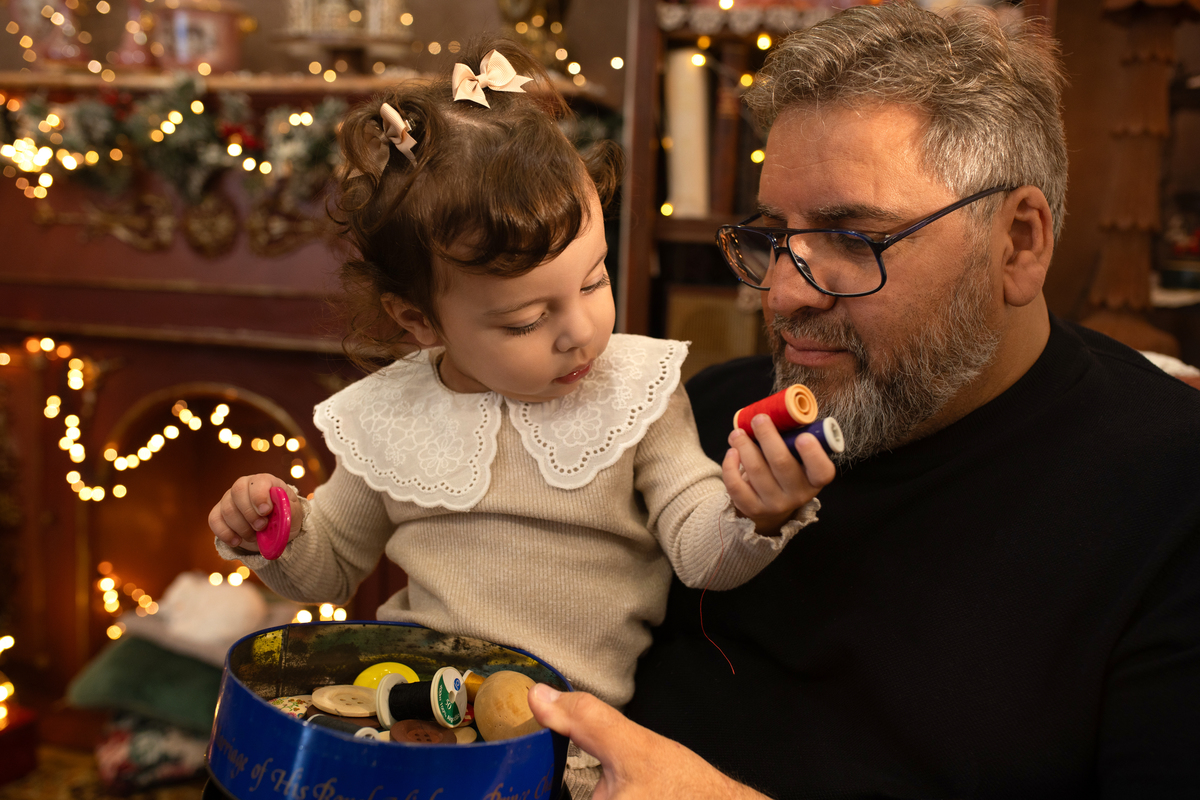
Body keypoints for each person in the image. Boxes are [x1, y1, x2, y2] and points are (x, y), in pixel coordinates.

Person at [525, 3, 1200, 798]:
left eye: (854, 240)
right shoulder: (704, 420)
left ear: (1019, 243)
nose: (783, 295)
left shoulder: (1171, 498)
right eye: (774, 236)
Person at [207, 37, 833, 732]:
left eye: (593, 281)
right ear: (419, 320)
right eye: (527, 320)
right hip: (416, 716)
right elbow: (324, 570)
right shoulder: (394, 413)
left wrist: (755, 514)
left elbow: (699, 554)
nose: (579, 331)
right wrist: (274, 527)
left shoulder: (636, 392)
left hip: (571, 740)